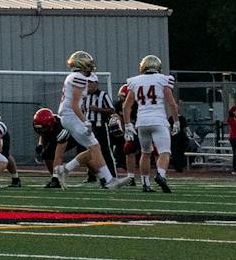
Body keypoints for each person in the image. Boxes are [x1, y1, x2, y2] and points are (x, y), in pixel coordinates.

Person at [49, 51, 129, 189]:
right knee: (95, 146)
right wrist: (85, 120)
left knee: (93, 148)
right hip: (71, 116)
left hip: (69, 117)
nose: (91, 65)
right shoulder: (78, 77)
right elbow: (74, 104)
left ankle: (64, 170)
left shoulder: (73, 76)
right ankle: (109, 180)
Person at [120, 55, 178, 193]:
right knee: (164, 152)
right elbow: (171, 103)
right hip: (158, 120)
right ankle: (161, 175)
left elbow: (126, 106)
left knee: (145, 153)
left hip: (142, 122)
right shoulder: (163, 79)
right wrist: (176, 121)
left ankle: (145, 183)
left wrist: (127, 124)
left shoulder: (135, 81)